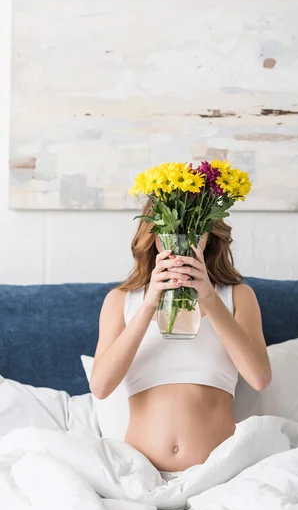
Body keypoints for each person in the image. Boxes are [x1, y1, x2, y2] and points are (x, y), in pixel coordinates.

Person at [90, 204, 271, 478]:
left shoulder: (237, 296)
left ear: (208, 234)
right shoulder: (121, 300)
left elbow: (259, 379)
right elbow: (101, 387)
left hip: (220, 473)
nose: (181, 242)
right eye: (170, 230)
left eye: (194, 230)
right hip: (140, 474)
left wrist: (208, 296)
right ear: (153, 233)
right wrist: (150, 301)